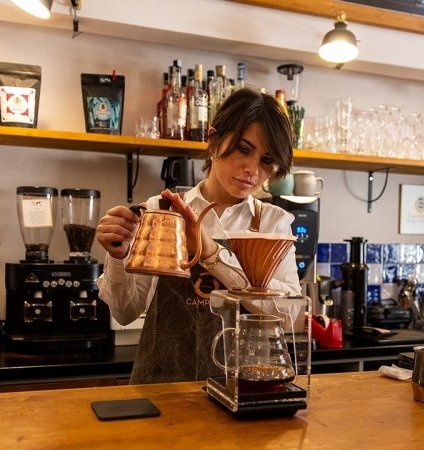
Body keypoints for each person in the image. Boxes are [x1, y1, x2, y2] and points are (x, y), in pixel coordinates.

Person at [95, 87, 301, 384]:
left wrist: (212, 255)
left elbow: (291, 317)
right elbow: (126, 312)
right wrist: (117, 255)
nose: (252, 170)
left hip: (243, 392)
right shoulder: (161, 210)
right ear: (214, 139)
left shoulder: (273, 224)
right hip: (161, 389)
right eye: (244, 149)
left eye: (267, 160)